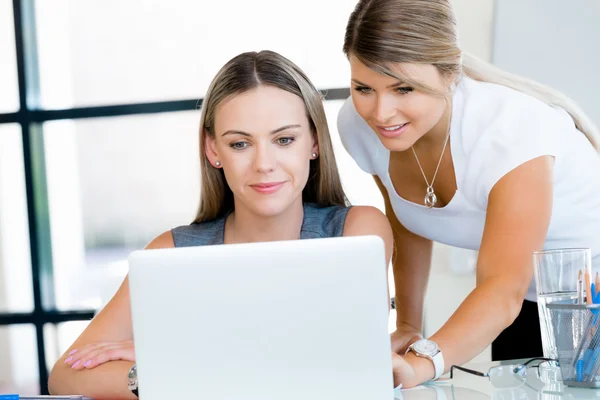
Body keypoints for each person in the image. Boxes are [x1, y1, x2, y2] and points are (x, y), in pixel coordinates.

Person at [48, 50, 394, 399]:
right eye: (240, 144)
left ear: (314, 142)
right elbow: (66, 375)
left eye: (284, 140)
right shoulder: (171, 253)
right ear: (214, 150)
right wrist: (154, 375)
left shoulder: (357, 232)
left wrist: (181, 364)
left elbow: (349, 361)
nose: (264, 164)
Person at [337, 0, 600, 389]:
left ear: (449, 74)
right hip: (532, 302)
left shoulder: (509, 131)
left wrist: (424, 360)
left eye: (403, 88)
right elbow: (408, 222)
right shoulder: (360, 126)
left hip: (581, 298)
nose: (382, 112)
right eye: (364, 88)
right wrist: (408, 325)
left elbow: (501, 286)